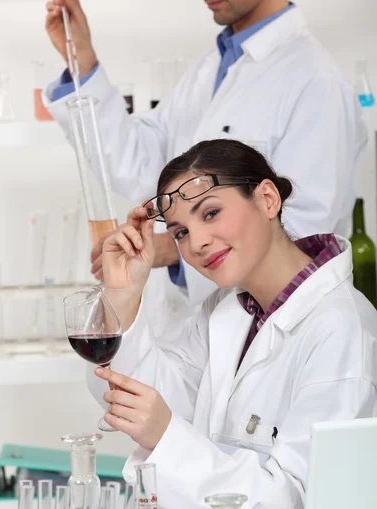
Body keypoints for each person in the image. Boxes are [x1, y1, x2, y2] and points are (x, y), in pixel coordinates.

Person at [87, 139, 377, 509]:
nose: (197, 243)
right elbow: (136, 396)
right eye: (180, 232)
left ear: (267, 198)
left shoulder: (342, 328)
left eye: (211, 213)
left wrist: (166, 437)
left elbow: (299, 503)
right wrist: (123, 292)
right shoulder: (226, 311)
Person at [43, 0, 367, 326]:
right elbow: (140, 163)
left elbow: (303, 229)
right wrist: (82, 62)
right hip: (191, 335)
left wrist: (174, 247)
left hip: (270, 331)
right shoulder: (211, 68)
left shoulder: (316, 80)